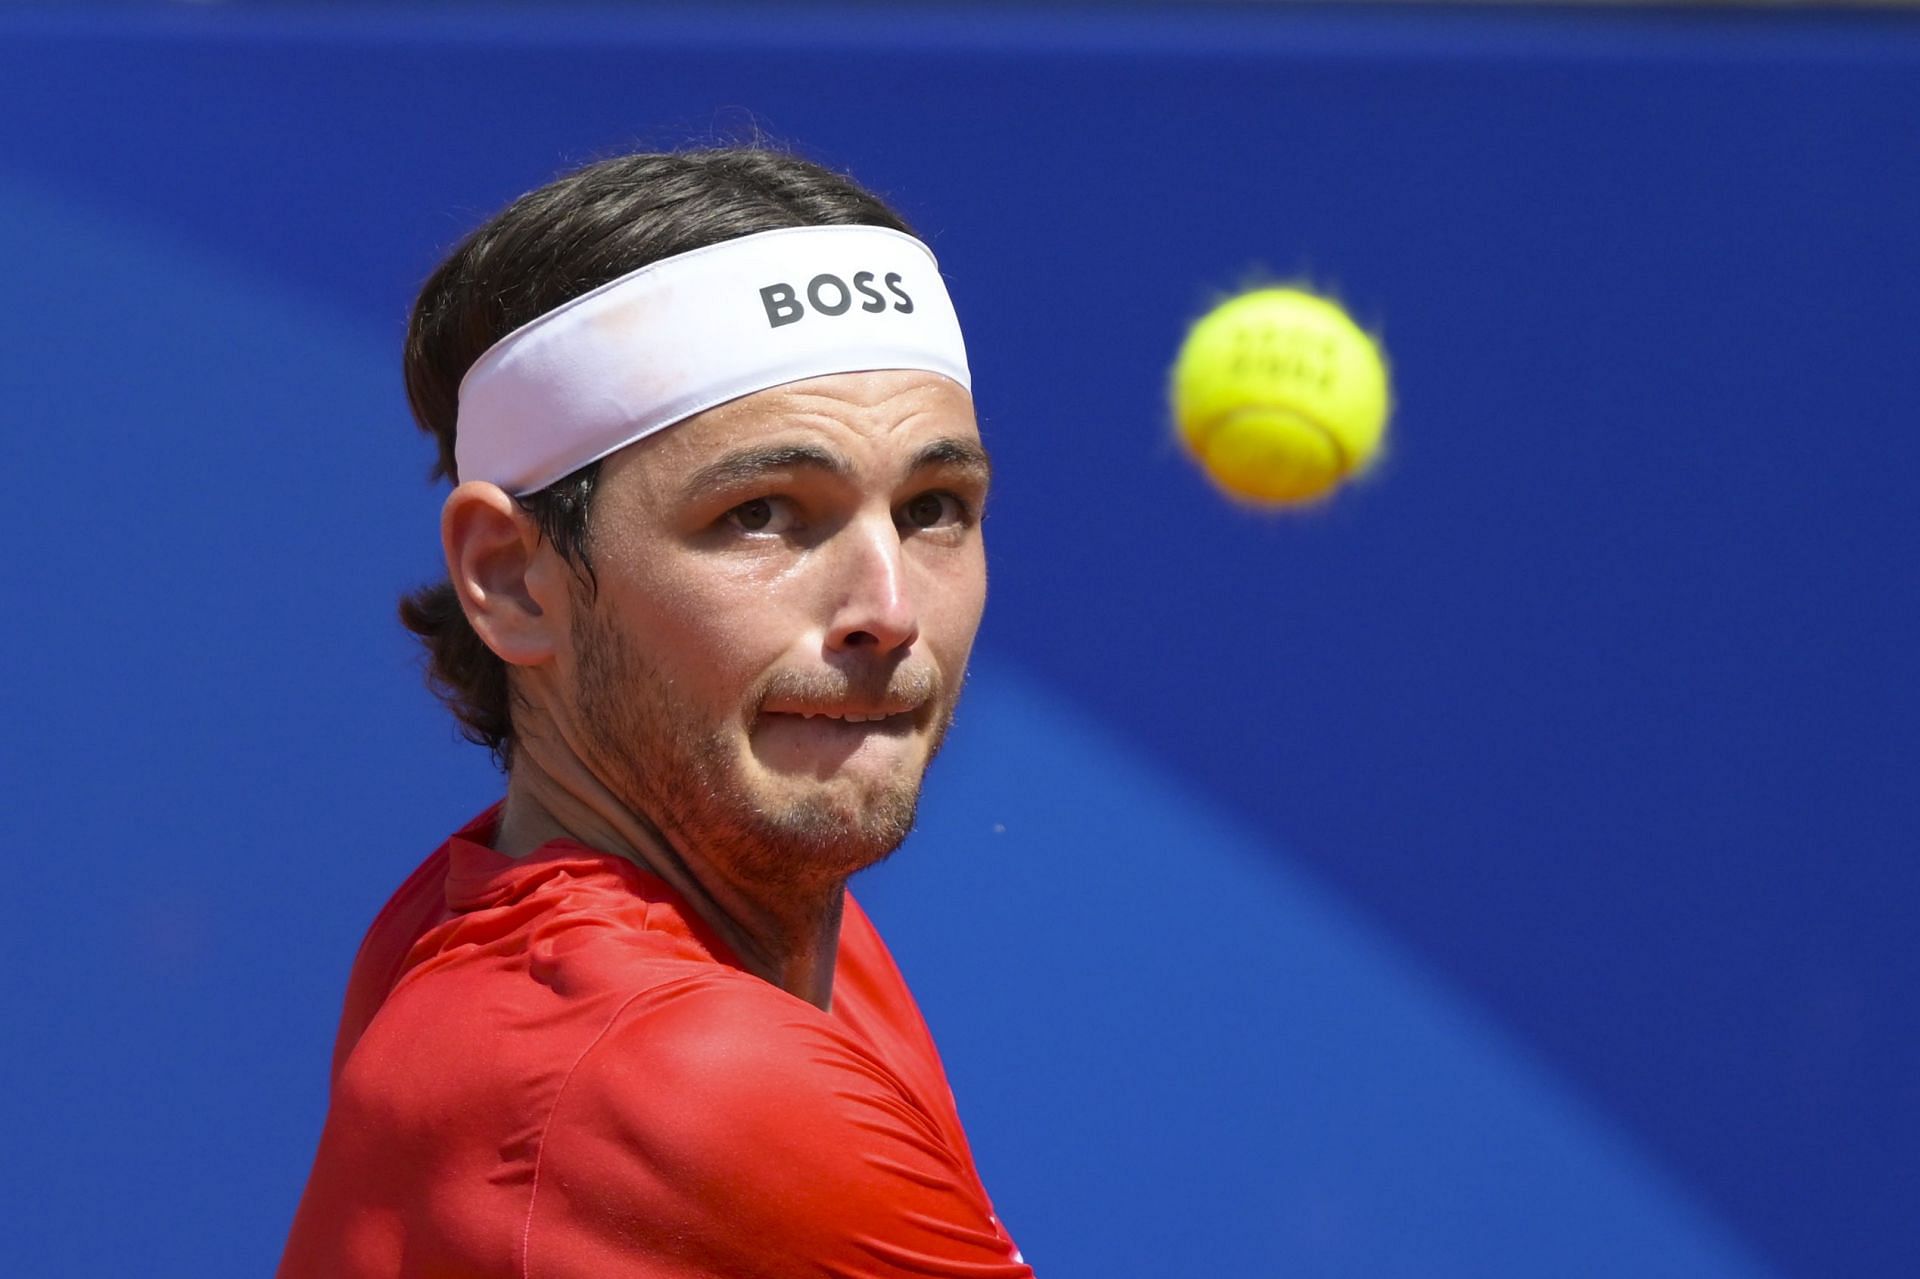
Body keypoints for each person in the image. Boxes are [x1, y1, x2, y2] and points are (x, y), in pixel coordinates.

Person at [279, 147, 1033, 1278]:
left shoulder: (505, 922)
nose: (889, 610)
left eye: (933, 506)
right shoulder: (688, 1070)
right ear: (513, 577)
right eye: (764, 513)